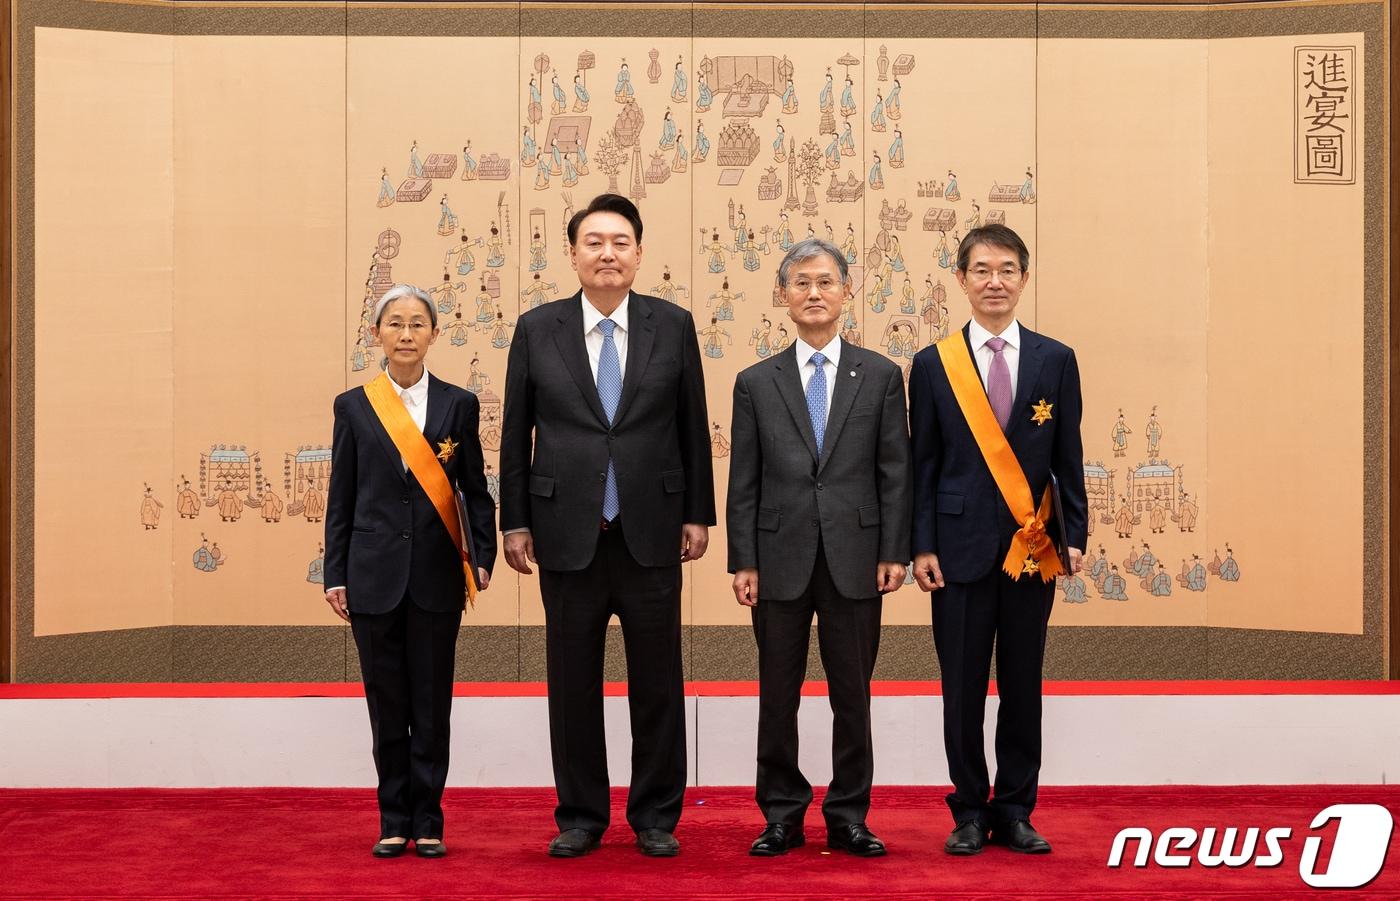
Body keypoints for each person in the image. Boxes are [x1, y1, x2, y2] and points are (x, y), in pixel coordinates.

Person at [499, 194, 715, 859]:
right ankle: (581, 815)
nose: (607, 253)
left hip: (652, 528)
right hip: (566, 530)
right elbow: (515, 434)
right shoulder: (538, 329)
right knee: (572, 682)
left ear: (640, 252)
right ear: (572, 254)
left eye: (620, 241)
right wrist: (515, 522)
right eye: (593, 241)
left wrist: (698, 513)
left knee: (658, 681)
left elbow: (692, 426)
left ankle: (655, 814)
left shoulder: (672, 325)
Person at [727, 238, 911, 859]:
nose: (814, 293)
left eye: (825, 282)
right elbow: (743, 479)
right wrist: (743, 559)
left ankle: (849, 814)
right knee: (777, 693)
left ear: (846, 292)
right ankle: (780, 813)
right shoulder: (755, 382)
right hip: (776, 559)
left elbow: (894, 471)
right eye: (801, 282)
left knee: (851, 693)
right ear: (783, 295)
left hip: (857, 557)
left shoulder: (882, 375)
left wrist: (894, 550)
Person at [908, 224, 1087, 856]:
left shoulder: (1055, 359)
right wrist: (920, 546)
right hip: (954, 552)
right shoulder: (933, 364)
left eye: (1007, 269)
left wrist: (1076, 534)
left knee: (1023, 685)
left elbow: (1069, 454)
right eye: (981, 269)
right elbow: (922, 463)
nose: (994, 281)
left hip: (1032, 548)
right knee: (960, 689)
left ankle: (1015, 808)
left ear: (1024, 278)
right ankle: (968, 810)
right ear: (961, 279)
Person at [324, 283, 498, 860]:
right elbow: (341, 496)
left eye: (417, 323)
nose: (405, 333)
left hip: (435, 575)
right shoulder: (353, 406)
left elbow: (475, 490)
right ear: (376, 333)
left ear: (433, 334)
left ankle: (429, 820)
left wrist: (483, 557)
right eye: (394, 323)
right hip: (372, 575)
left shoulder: (458, 405)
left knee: (431, 705)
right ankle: (392, 819)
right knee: (387, 706)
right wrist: (335, 573)